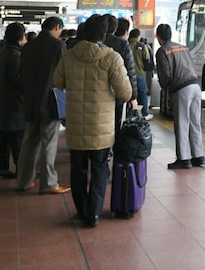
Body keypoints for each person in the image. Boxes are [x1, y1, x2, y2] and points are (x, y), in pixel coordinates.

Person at [54, 14, 131, 228]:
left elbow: (57, 81)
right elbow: (125, 93)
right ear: (104, 34)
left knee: (78, 170)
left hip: (76, 123)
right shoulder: (112, 57)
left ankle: (82, 210)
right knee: (99, 168)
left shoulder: (69, 56)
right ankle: (94, 214)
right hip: (102, 125)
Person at [17, 16, 70, 195]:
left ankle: (24, 180)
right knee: (48, 142)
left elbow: (21, 73)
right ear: (56, 27)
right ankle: (49, 183)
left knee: (29, 142)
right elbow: (64, 73)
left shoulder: (28, 46)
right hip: (49, 101)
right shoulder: (57, 46)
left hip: (30, 100)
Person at [155, 23, 205, 169]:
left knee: (182, 123)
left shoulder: (162, 51)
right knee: (195, 122)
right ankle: (198, 156)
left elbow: (165, 75)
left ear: (158, 37)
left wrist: (166, 90)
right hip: (196, 86)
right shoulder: (183, 47)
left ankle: (183, 158)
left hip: (182, 88)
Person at [0, 22, 26, 179]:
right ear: (20, 37)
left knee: (4, 139)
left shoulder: (4, 51)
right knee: (17, 139)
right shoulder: (15, 55)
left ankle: (1, 169)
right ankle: (23, 170)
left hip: (4, 101)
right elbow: (17, 79)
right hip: (14, 104)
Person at [102, 15, 138, 122]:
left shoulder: (97, 42)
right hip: (117, 93)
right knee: (117, 124)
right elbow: (130, 71)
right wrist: (133, 97)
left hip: (98, 92)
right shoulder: (122, 44)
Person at [128, 29, 153, 120]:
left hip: (128, 75)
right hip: (139, 74)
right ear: (138, 36)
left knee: (129, 94)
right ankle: (145, 113)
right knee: (143, 94)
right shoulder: (142, 46)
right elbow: (147, 59)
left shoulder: (127, 45)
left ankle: (131, 114)